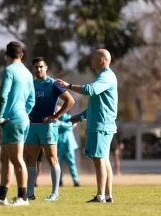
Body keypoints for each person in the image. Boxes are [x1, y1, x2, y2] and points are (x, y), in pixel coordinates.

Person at [56, 49, 118, 203]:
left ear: (101, 60)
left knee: (99, 161)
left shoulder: (106, 76)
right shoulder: (103, 76)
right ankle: (107, 196)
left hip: (101, 126)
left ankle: (100, 196)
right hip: (101, 124)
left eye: (93, 58)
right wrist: (79, 116)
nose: (90, 60)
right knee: (104, 160)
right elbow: (96, 106)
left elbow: (90, 90)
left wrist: (68, 86)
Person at [0, 41, 35, 206]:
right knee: (6, 158)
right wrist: (23, 113)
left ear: (7, 55)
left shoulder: (8, 71)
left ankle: (23, 197)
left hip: (12, 120)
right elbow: (32, 100)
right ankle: (1, 197)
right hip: (21, 118)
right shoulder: (27, 73)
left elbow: (3, 96)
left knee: (17, 159)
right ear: (22, 55)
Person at [25, 57, 74, 201]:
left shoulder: (53, 84)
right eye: (36, 67)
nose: (38, 69)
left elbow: (70, 100)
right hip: (32, 126)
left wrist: (56, 116)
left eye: (41, 67)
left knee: (52, 158)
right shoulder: (30, 84)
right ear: (33, 69)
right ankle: (29, 193)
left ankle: (55, 193)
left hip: (48, 127)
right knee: (30, 158)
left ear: (46, 68)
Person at [55, 105, 80, 187]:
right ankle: (59, 181)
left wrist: (60, 124)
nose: (58, 111)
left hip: (68, 144)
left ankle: (76, 181)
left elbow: (70, 125)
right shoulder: (54, 119)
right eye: (56, 110)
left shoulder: (68, 117)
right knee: (58, 164)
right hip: (58, 144)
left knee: (72, 163)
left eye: (59, 109)